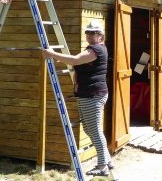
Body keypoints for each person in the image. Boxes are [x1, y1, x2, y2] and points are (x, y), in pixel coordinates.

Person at [42, 20, 114, 177]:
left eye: (92, 33)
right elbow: (78, 63)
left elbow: (75, 60)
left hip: (92, 95)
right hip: (88, 94)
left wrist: (52, 54)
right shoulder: (95, 49)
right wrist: (62, 59)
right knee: (90, 129)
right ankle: (107, 160)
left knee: (94, 130)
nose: (89, 35)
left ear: (100, 35)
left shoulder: (96, 50)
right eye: (87, 33)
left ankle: (102, 166)